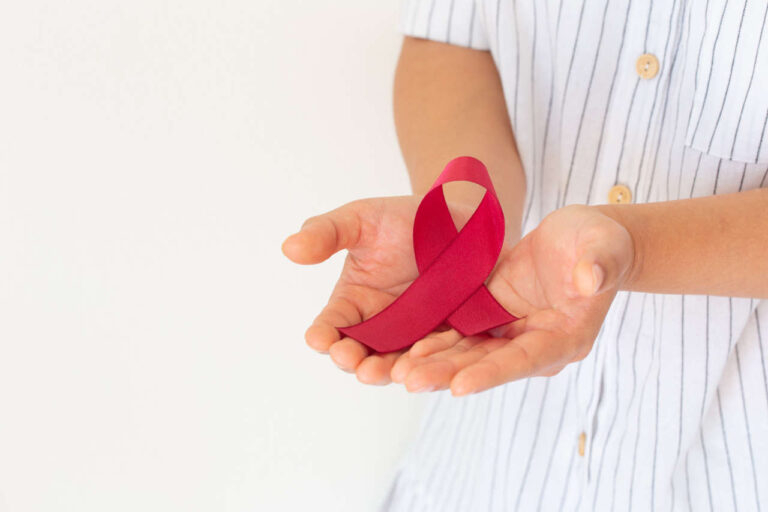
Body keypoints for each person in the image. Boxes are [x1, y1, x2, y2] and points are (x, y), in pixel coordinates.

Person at [281, 0, 768, 510]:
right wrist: (469, 218)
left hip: (726, 469)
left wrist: (639, 246)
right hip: (485, 464)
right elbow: (448, 36)